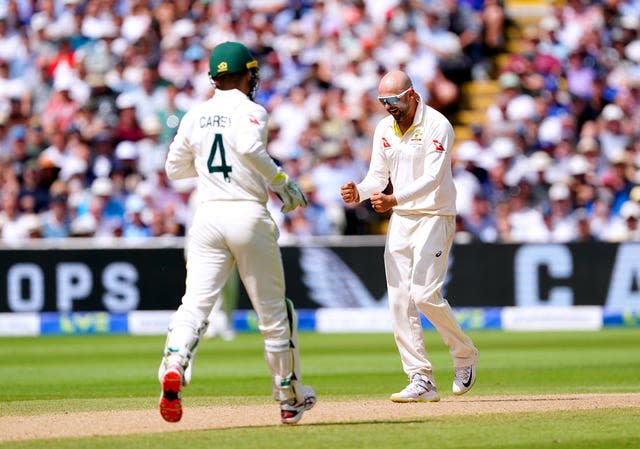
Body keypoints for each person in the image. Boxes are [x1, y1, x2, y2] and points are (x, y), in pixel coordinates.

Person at [157, 41, 316, 425]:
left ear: (214, 78)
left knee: (194, 304)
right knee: (274, 313)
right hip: (246, 214)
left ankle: (173, 364)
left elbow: (174, 169)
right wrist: (279, 180)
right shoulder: (252, 110)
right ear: (247, 74)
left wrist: (214, 170)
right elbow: (246, 145)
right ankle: (288, 396)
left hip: (207, 217)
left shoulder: (195, 115)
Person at [340, 70, 479, 403]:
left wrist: (393, 199)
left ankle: (464, 355)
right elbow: (378, 176)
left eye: (394, 100)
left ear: (412, 95)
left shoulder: (437, 125)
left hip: (434, 215)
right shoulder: (384, 128)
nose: (389, 107)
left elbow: (433, 178)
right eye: (383, 102)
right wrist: (359, 191)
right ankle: (420, 377)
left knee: (424, 294)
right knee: (400, 299)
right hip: (402, 219)